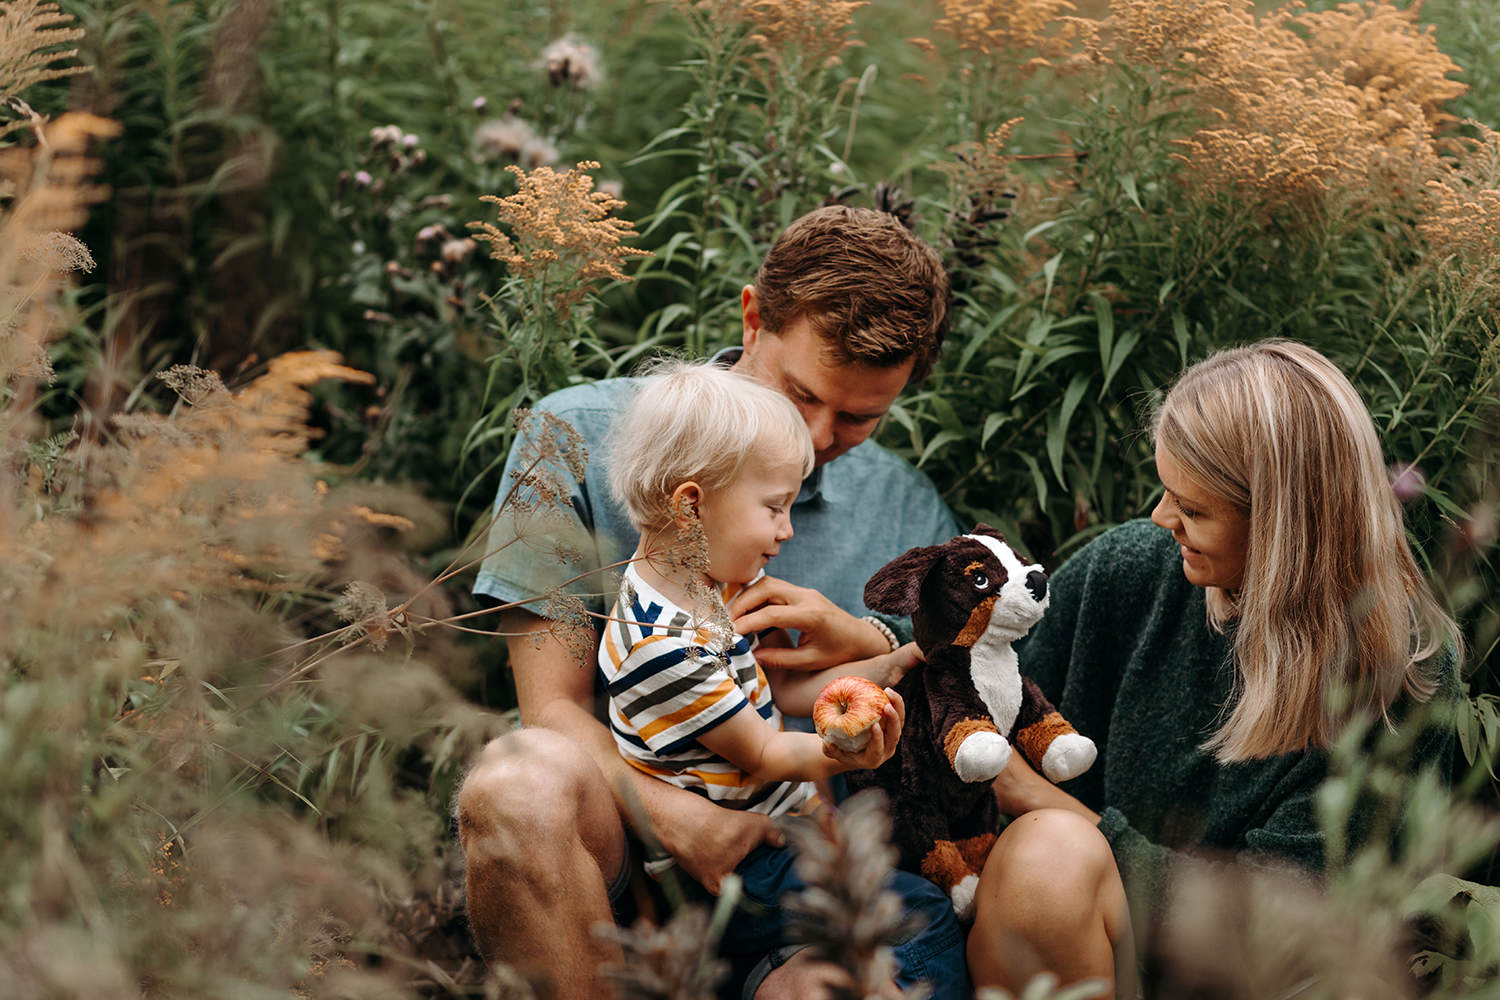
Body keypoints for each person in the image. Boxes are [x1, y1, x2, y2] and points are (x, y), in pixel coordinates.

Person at [455, 205, 967, 999]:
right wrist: (678, 819)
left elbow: (962, 684)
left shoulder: (903, 508)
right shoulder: (574, 439)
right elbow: (550, 710)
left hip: (801, 888)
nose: (822, 433)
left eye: (862, 416)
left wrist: (867, 632)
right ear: (754, 315)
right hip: (622, 871)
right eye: (801, 395)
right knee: (515, 783)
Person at [963, 339, 1462, 997]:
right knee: (1045, 859)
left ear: (1286, 528)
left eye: (1193, 510)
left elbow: (1287, 926)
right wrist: (879, 640)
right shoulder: (1132, 572)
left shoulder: (1398, 673)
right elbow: (982, 667)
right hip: (1077, 945)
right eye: (1167, 492)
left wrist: (1046, 802)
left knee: (1049, 850)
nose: (1160, 519)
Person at [599, 358, 920, 987]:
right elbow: (768, 750)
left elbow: (776, 691)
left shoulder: (708, 584)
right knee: (916, 912)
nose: (787, 529)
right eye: (774, 507)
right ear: (690, 506)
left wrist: (884, 663)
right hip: (730, 868)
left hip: (775, 831)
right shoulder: (662, 645)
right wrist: (849, 754)